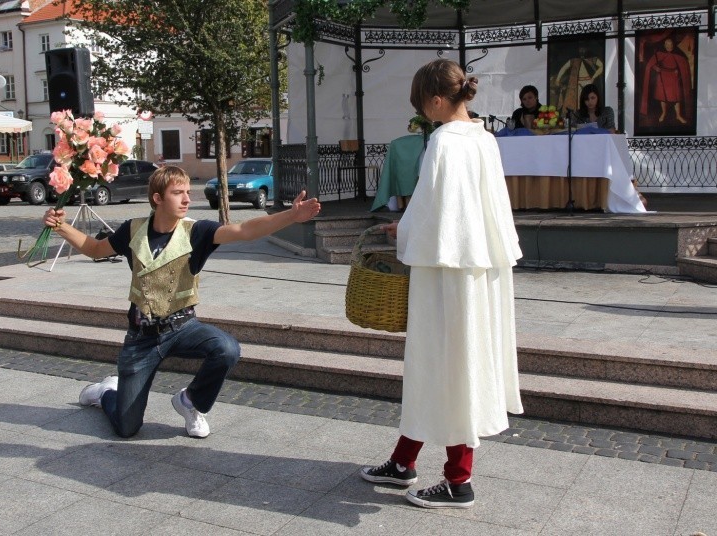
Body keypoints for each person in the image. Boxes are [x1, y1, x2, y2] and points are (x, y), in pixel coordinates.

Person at [43, 166, 320, 439]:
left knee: (226, 348)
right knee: (126, 428)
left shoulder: (196, 231)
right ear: (158, 198)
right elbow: (94, 249)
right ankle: (106, 392)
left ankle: (191, 402)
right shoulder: (133, 230)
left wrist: (291, 216)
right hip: (141, 338)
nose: (188, 198)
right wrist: (62, 226)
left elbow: (244, 230)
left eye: (188, 191)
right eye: (178, 193)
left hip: (183, 328)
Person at [359, 59, 523, 509]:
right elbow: (456, 208)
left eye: (422, 105)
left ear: (435, 100)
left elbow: (435, 212)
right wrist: (409, 226)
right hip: (478, 268)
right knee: (441, 364)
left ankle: (458, 480)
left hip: (448, 273)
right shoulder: (485, 139)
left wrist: (405, 230)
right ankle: (403, 462)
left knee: (448, 365)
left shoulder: (445, 142)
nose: (422, 114)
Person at [640, 37, 692, 125]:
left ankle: (678, 115)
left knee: (677, 97)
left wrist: (678, 70)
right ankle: (663, 113)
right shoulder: (659, 53)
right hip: (662, 77)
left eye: (671, 44)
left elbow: (683, 64)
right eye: (667, 44)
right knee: (662, 97)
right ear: (664, 45)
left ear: (673, 45)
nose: (669, 46)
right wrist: (656, 68)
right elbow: (650, 64)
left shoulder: (679, 54)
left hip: (674, 77)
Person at [552, 46, 604, 112]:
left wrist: (593, 77)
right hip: (576, 85)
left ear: (587, 49)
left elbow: (602, 66)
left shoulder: (592, 59)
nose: (582, 50)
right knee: (577, 103)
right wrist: (557, 79)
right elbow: (563, 68)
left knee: (588, 102)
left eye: (583, 48)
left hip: (588, 83)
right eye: (580, 48)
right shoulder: (574, 60)